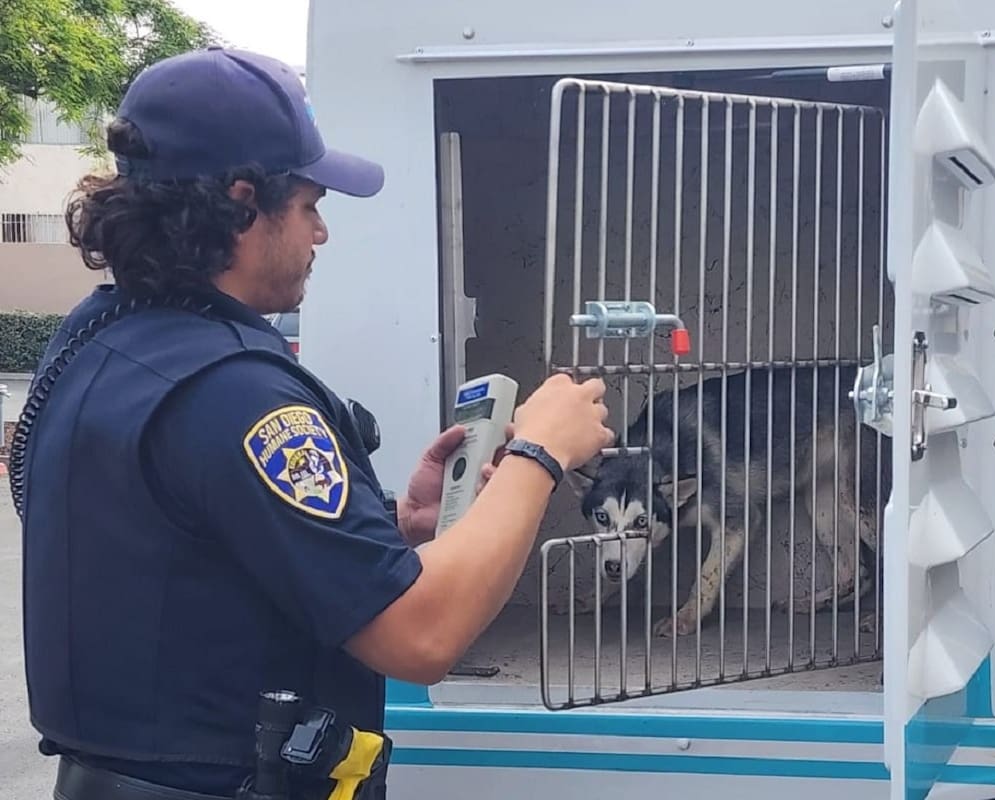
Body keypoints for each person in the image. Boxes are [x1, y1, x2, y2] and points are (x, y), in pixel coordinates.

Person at [13, 47, 613, 799]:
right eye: (307, 206)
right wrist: (539, 451)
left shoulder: (96, 338)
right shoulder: (237, 394)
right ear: (240, 202)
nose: (320, 234)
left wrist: (388, 530)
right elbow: (420, 636)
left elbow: (173, 551)